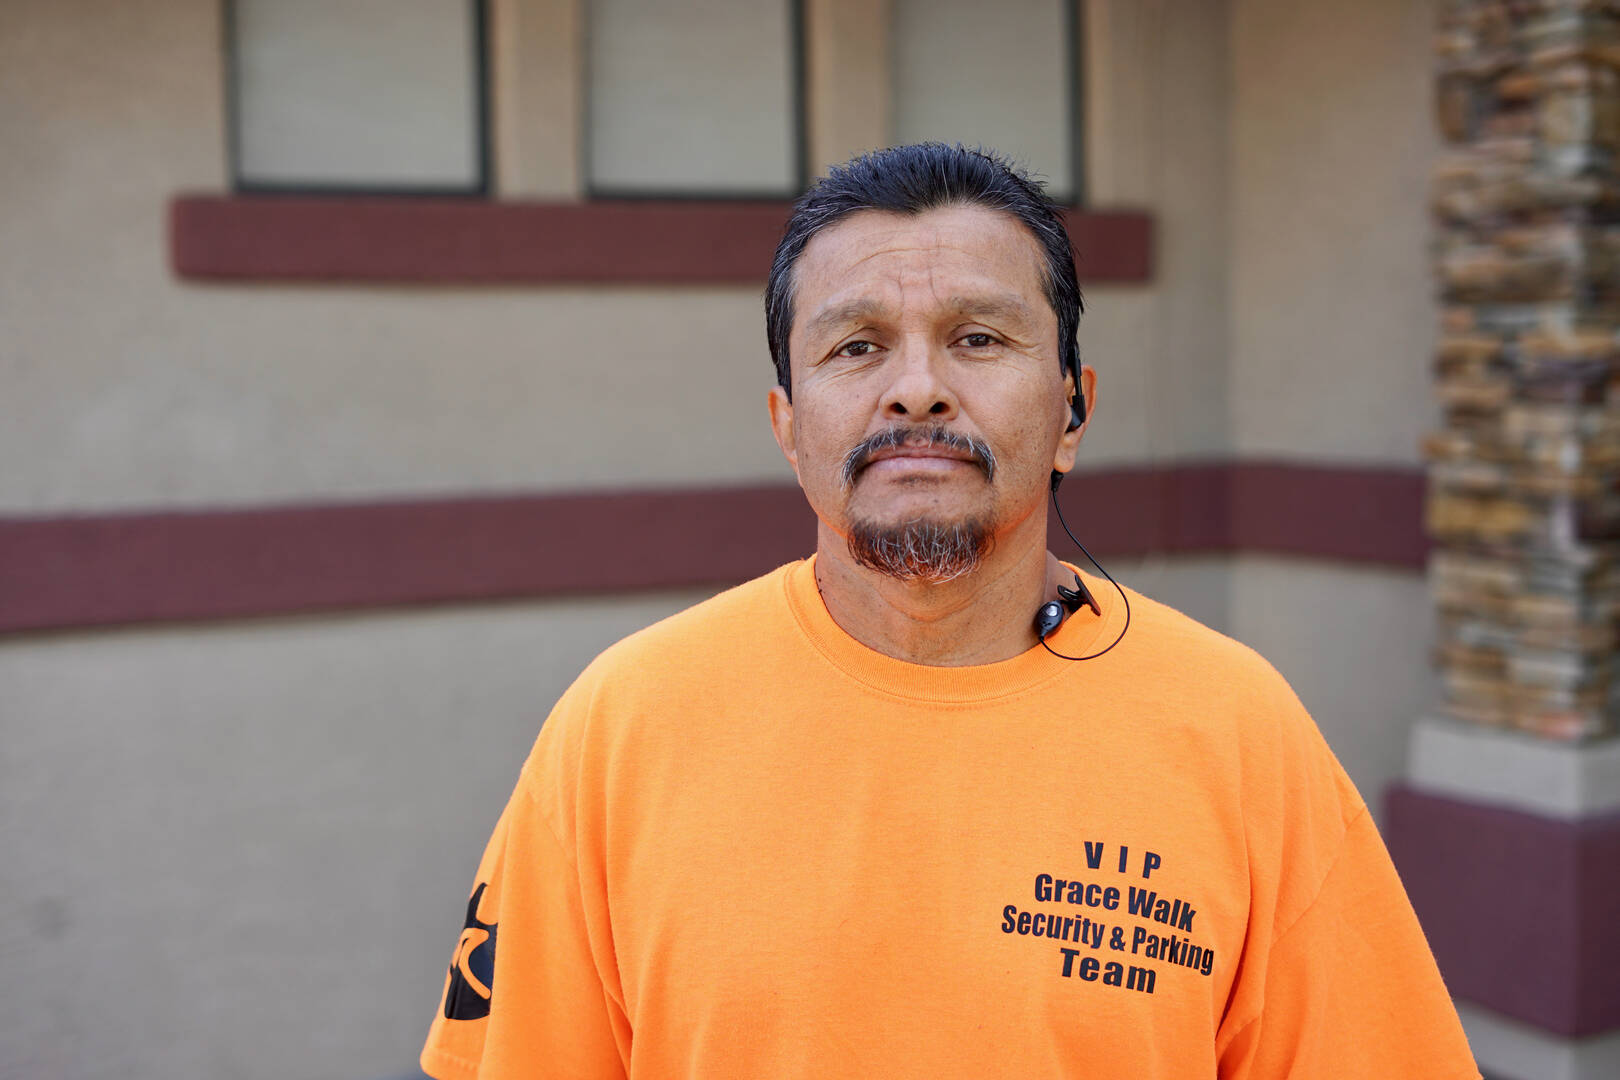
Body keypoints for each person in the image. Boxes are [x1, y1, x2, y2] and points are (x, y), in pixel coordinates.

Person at [419, 143, 1479, 1079]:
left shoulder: (1240, 733)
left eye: (978, 338)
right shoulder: (621, 728)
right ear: (789, 427)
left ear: (1072, 410)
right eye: (857, 346)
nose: (916, 388)